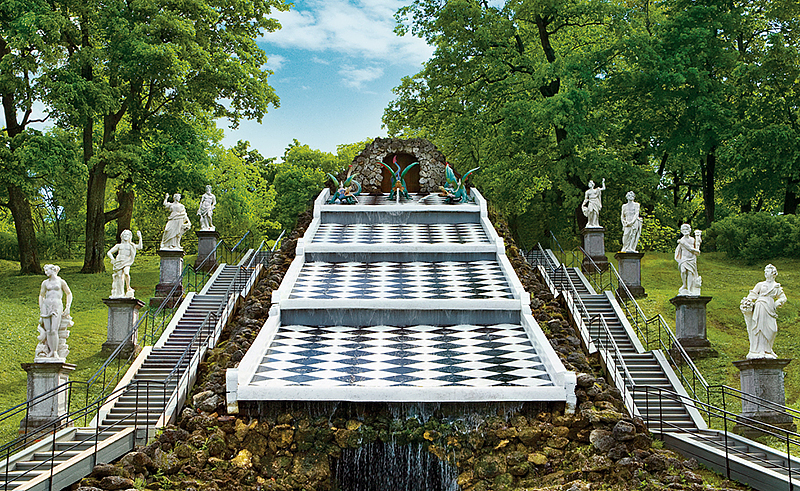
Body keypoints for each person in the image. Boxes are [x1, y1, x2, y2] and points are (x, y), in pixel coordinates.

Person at [742, 264, 787, 359]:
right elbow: (752, 294)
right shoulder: (760, 284)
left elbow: (783, 298)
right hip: (760, 306)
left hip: (770, 308)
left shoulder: (776, 286)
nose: (765, 273)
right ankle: (760, 350)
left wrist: (777, 302)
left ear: (773, 273)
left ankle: (768, 349)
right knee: (760, 328)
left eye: (767, 271)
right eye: (765, 271)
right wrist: (747, 302)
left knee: (773, 329)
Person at [37, 264, 73, 359]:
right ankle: (50, 351)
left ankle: (55, 351)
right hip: (46, 305)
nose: (45, 272)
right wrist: (41, 307)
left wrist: (68, 306)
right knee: (48, 330)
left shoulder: (61, 281)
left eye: (47, 270)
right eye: (45, 271)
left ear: (52, 270)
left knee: (54, 330)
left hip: (57, 306)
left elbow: (69, 293)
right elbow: (41, 295)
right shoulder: (45, 283)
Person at [107, 229, 143, 298]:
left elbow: (139, 247)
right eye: (124, 235)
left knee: (126, 273)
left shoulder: (131, 245)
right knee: (120, 277)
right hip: (119, 262)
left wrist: (140, 238)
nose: (126, 236)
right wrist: (112, 259)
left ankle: (128, 287)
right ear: (122, 236)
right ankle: (121, 293)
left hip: (127, 261)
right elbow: (109, 252)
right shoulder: (119, 245)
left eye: (127, 235)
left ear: (130, 236)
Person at [674, 224, 702, 295]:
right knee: (683, 271)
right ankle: (684, 284)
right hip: (684, 259)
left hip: (692, 259)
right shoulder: (681, 241)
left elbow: (697, 246)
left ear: (689, 230)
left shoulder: (693, 239)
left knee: (690, 273)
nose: (685, 231)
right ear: (682, 231)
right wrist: (696, 251)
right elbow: (689, 248)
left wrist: (699, 239)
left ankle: (689, 289)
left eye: (687, 230)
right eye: (684, 230)